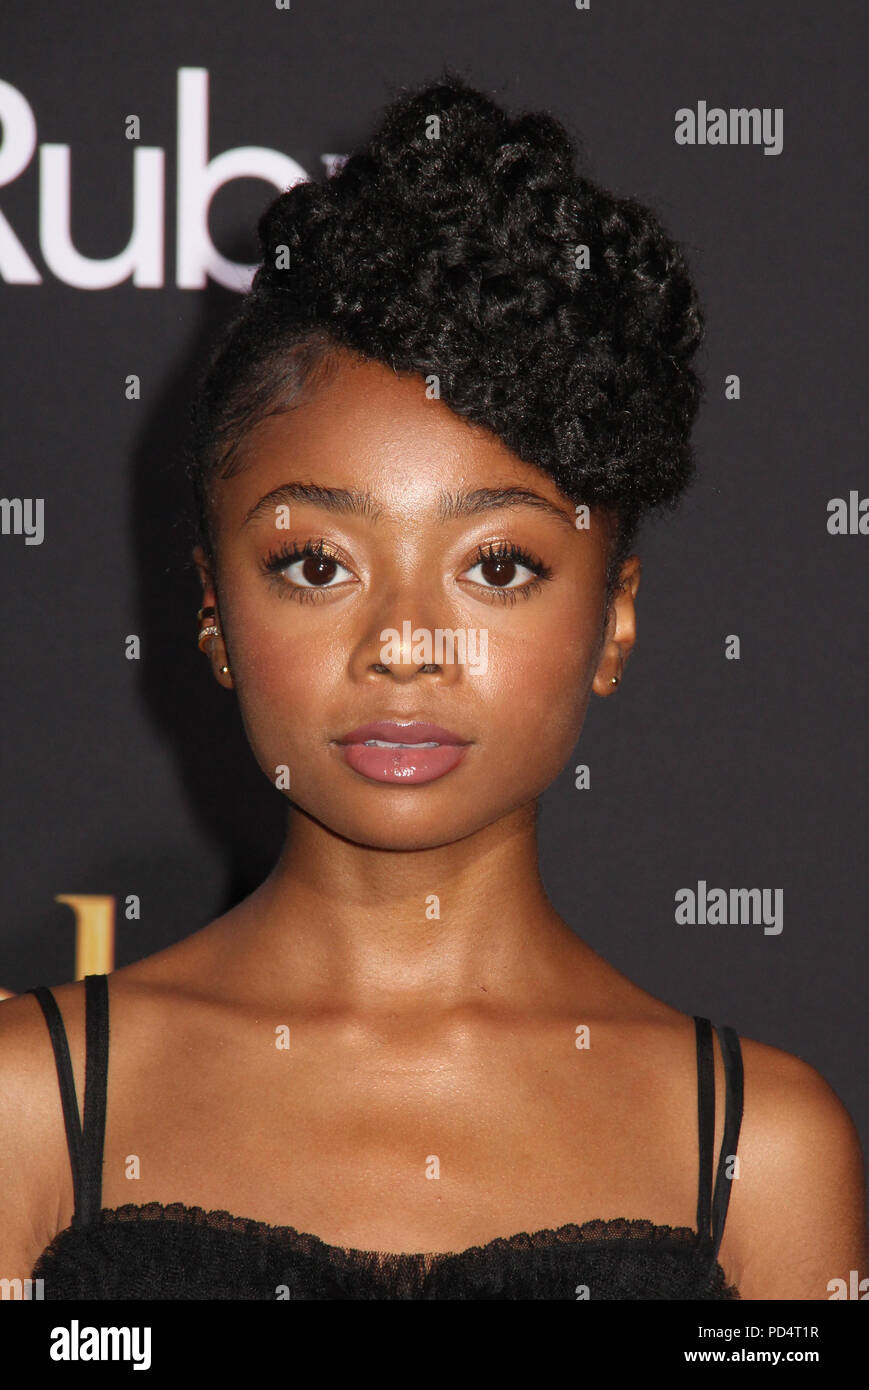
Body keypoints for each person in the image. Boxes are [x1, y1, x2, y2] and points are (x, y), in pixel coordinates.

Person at [0, 71, 865, 1300]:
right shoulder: (29, 1104)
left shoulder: (757, 1153)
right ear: (212, 609)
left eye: (497, 565)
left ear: (613, 620)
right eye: (316, 564)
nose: (405, 642)